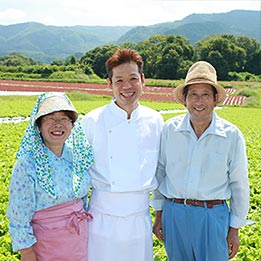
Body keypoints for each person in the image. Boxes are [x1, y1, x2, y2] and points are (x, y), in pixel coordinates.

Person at [151, 61, 250, 261]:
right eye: (193, 94)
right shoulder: (170, 130)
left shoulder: (231, 135)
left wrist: (235, 228)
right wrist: (159, 213)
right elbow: (160, 172)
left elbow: (239, 183)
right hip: (174, 212)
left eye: (205, 94)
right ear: (185, 100)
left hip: (212, 215)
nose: (199, 101)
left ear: (215, 99)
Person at [81, 48, 164, 261]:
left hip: (139, 219)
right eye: (119, 80)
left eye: (133, 79)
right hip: (101, 220)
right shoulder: (91, 121)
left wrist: (160, 213)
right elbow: (78, 173)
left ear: (143, 80)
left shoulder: (155, 120)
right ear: (109, 84)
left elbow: (161, 171)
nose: (127, 86)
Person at [7, 92, 94, 261]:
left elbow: (82, 202)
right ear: (38, 125)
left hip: (78, 241)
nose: (58, 125)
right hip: (45, 245)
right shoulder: (27, 164)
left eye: (64, 118)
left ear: (72, 124)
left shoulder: (78, 156)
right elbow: (19, 215)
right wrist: (27, 253)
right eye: (50, 118)